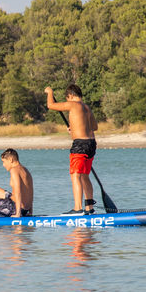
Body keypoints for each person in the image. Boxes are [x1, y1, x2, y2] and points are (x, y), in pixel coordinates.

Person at [45, 84, 98, 215]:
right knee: (85, 176)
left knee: (75, 175)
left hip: (80, 145)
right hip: (91, 144)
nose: (67, 101)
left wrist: (49, 92)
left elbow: (51, 105)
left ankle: (78, 208)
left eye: (67, 98)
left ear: (71, 96)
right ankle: (89, 208)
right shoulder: (87, 107)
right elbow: (94, 127)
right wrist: (75, 128)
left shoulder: (73, 104)